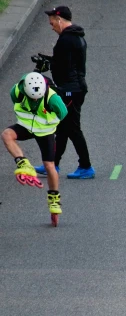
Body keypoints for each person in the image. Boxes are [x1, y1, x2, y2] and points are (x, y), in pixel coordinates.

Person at [34, 5, 93, 179]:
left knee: (72, 129)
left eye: (52, 23)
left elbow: (64, 67)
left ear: (59, 20)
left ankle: (86, 166)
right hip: (75, 88)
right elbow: (67, 62)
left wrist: (47, 65)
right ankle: (52, 164)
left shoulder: (66, 40)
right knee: (62, 128)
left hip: (70, 91)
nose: (52, 27)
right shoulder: (76, 37)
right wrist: (49, 60)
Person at [1, 72, 67, 222]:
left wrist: (48, 123)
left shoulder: (53, 98)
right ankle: (23, 162)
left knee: (49, 165)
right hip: (25, 126)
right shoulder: (17, 91)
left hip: (44, 131)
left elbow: (63, 113)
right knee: (6, 135)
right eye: (32, 97)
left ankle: (54, 198)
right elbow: (15, 100)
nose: (35, 99)